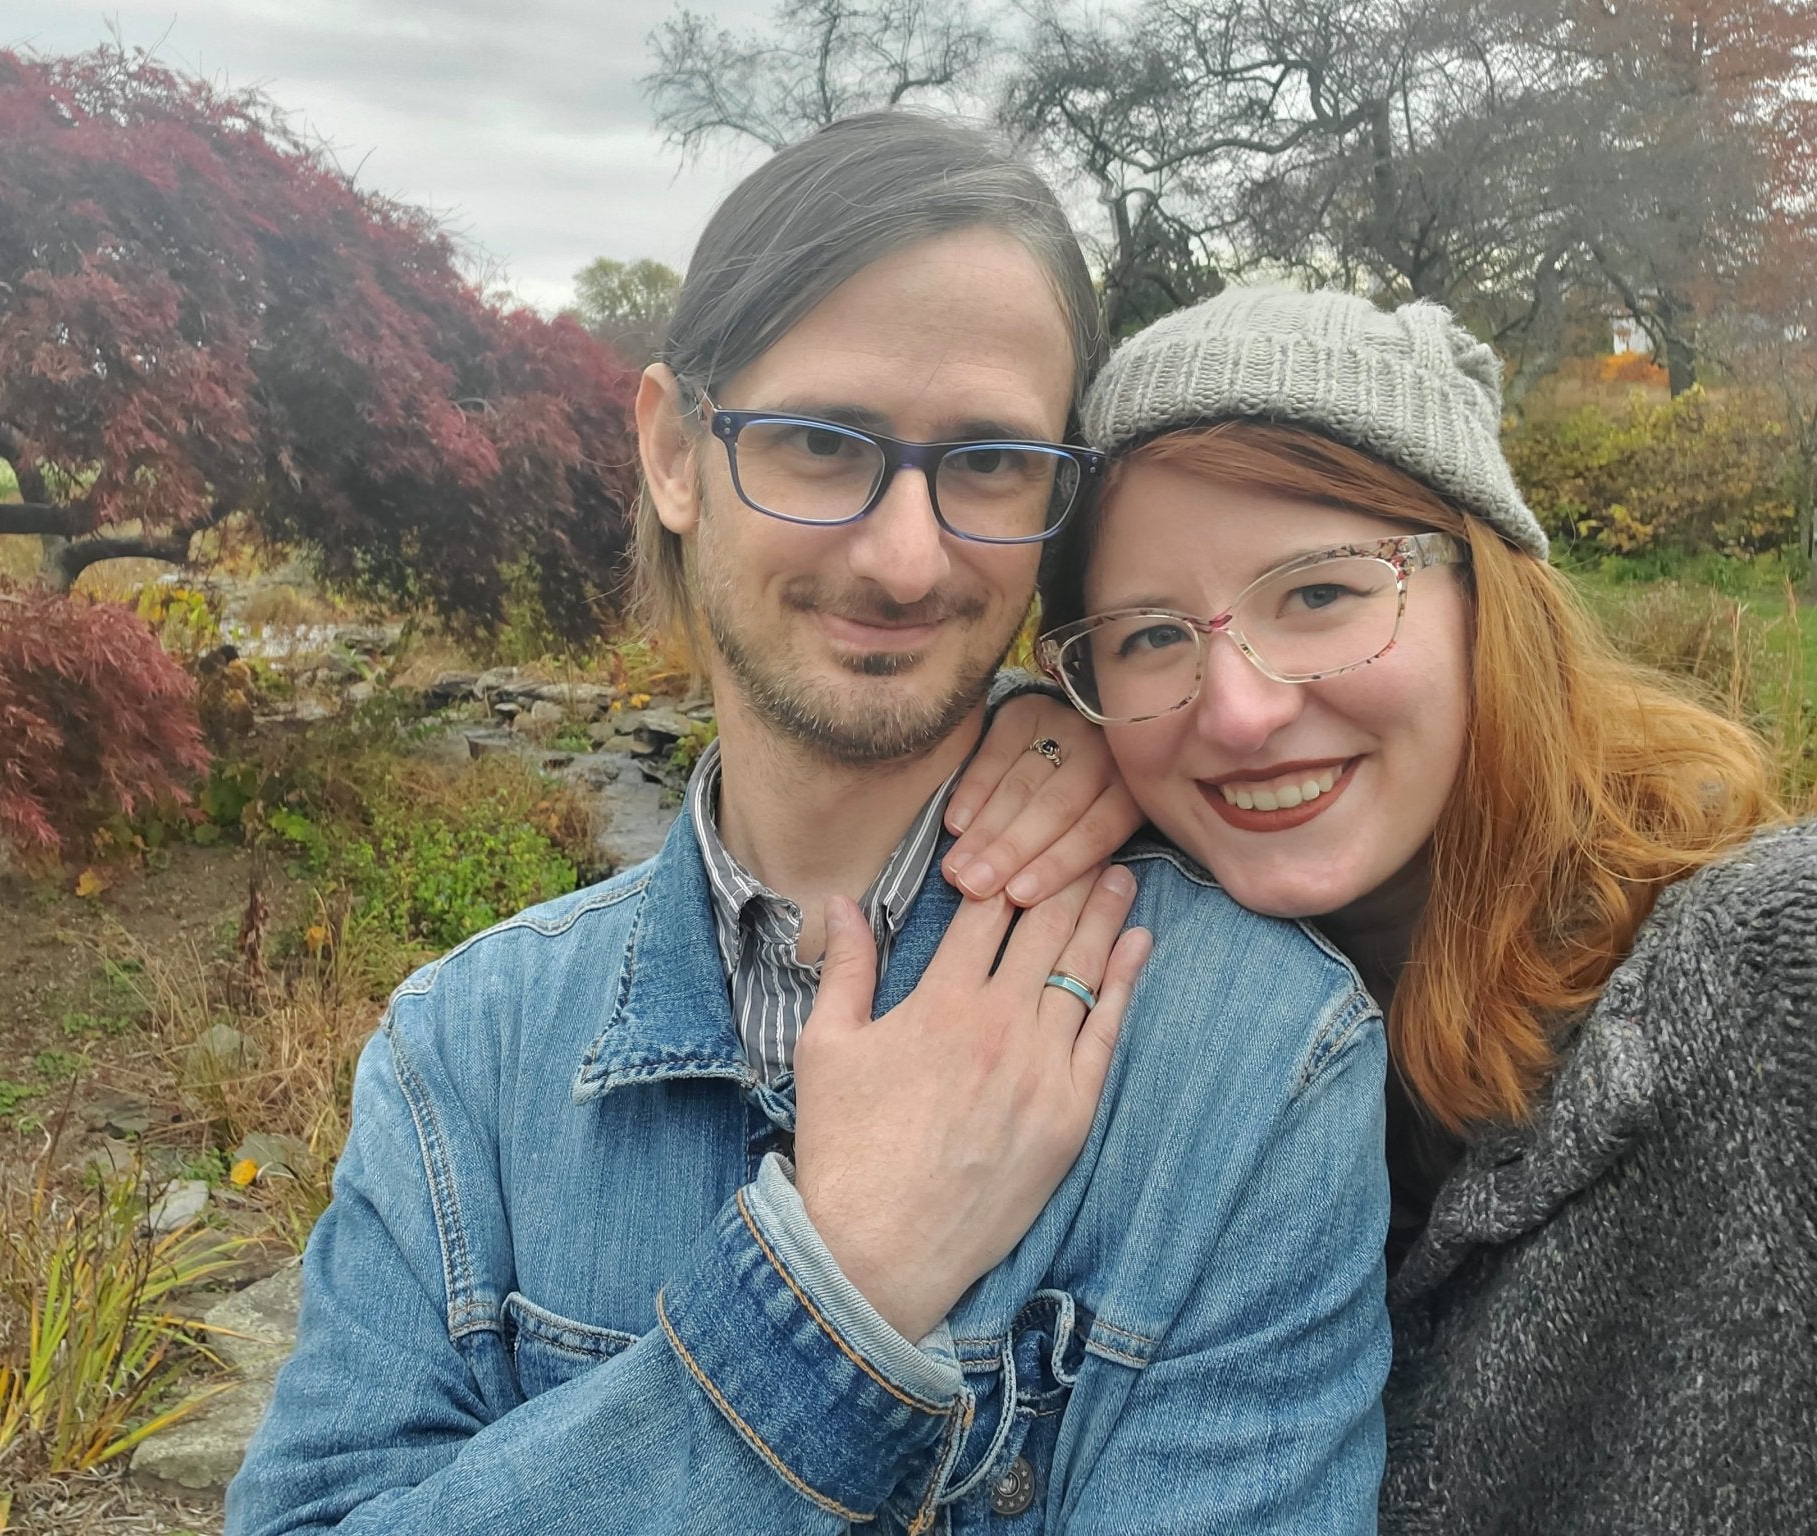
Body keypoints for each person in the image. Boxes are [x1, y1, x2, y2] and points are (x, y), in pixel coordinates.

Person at [227, 119, 1391, 1534]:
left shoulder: (1256, 1053)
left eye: (988, 464)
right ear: (674, 449)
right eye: (820, 446)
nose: (906, 558)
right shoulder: (460, 1057)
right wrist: (833, 1296)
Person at [1016, 283, 1816, 1534]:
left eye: (1321, 595)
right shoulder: (1122, 1002)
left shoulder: (1762, 980)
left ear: (1484, 598)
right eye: (1152, 637)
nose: (1236, 710)